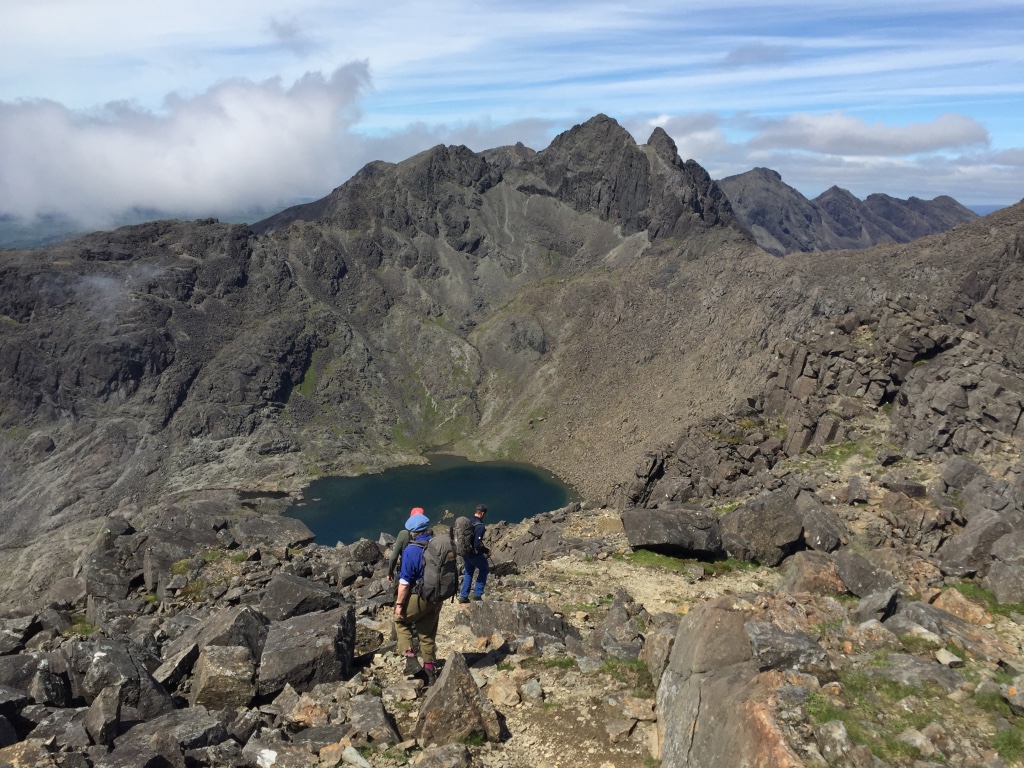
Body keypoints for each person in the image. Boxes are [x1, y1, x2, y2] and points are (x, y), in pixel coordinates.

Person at [394, 512, 442, 684]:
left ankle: (411, 659)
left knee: (401, 621)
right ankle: (430, 671)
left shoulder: (411, 550)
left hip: (421, 595)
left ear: (412, 532)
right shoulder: (437, 545)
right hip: (438, 596)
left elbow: (405, 582)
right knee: (427, 632)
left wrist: (399, 605)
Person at [458, 503, 490, 603]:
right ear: (483, 513)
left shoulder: (468, 522)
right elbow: (477, 545)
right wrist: (486, 551)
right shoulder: (480, 526)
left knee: (468, 572)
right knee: (484, 569)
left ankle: (463, 596)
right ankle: (477, 595)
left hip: (464, 553)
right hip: (473, 554)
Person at [387, 507, 424, 583]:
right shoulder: (428, 534)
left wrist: (390, 573)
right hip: (424, 572)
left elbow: (393, 557)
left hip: (407, 572)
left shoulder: (404, 534)